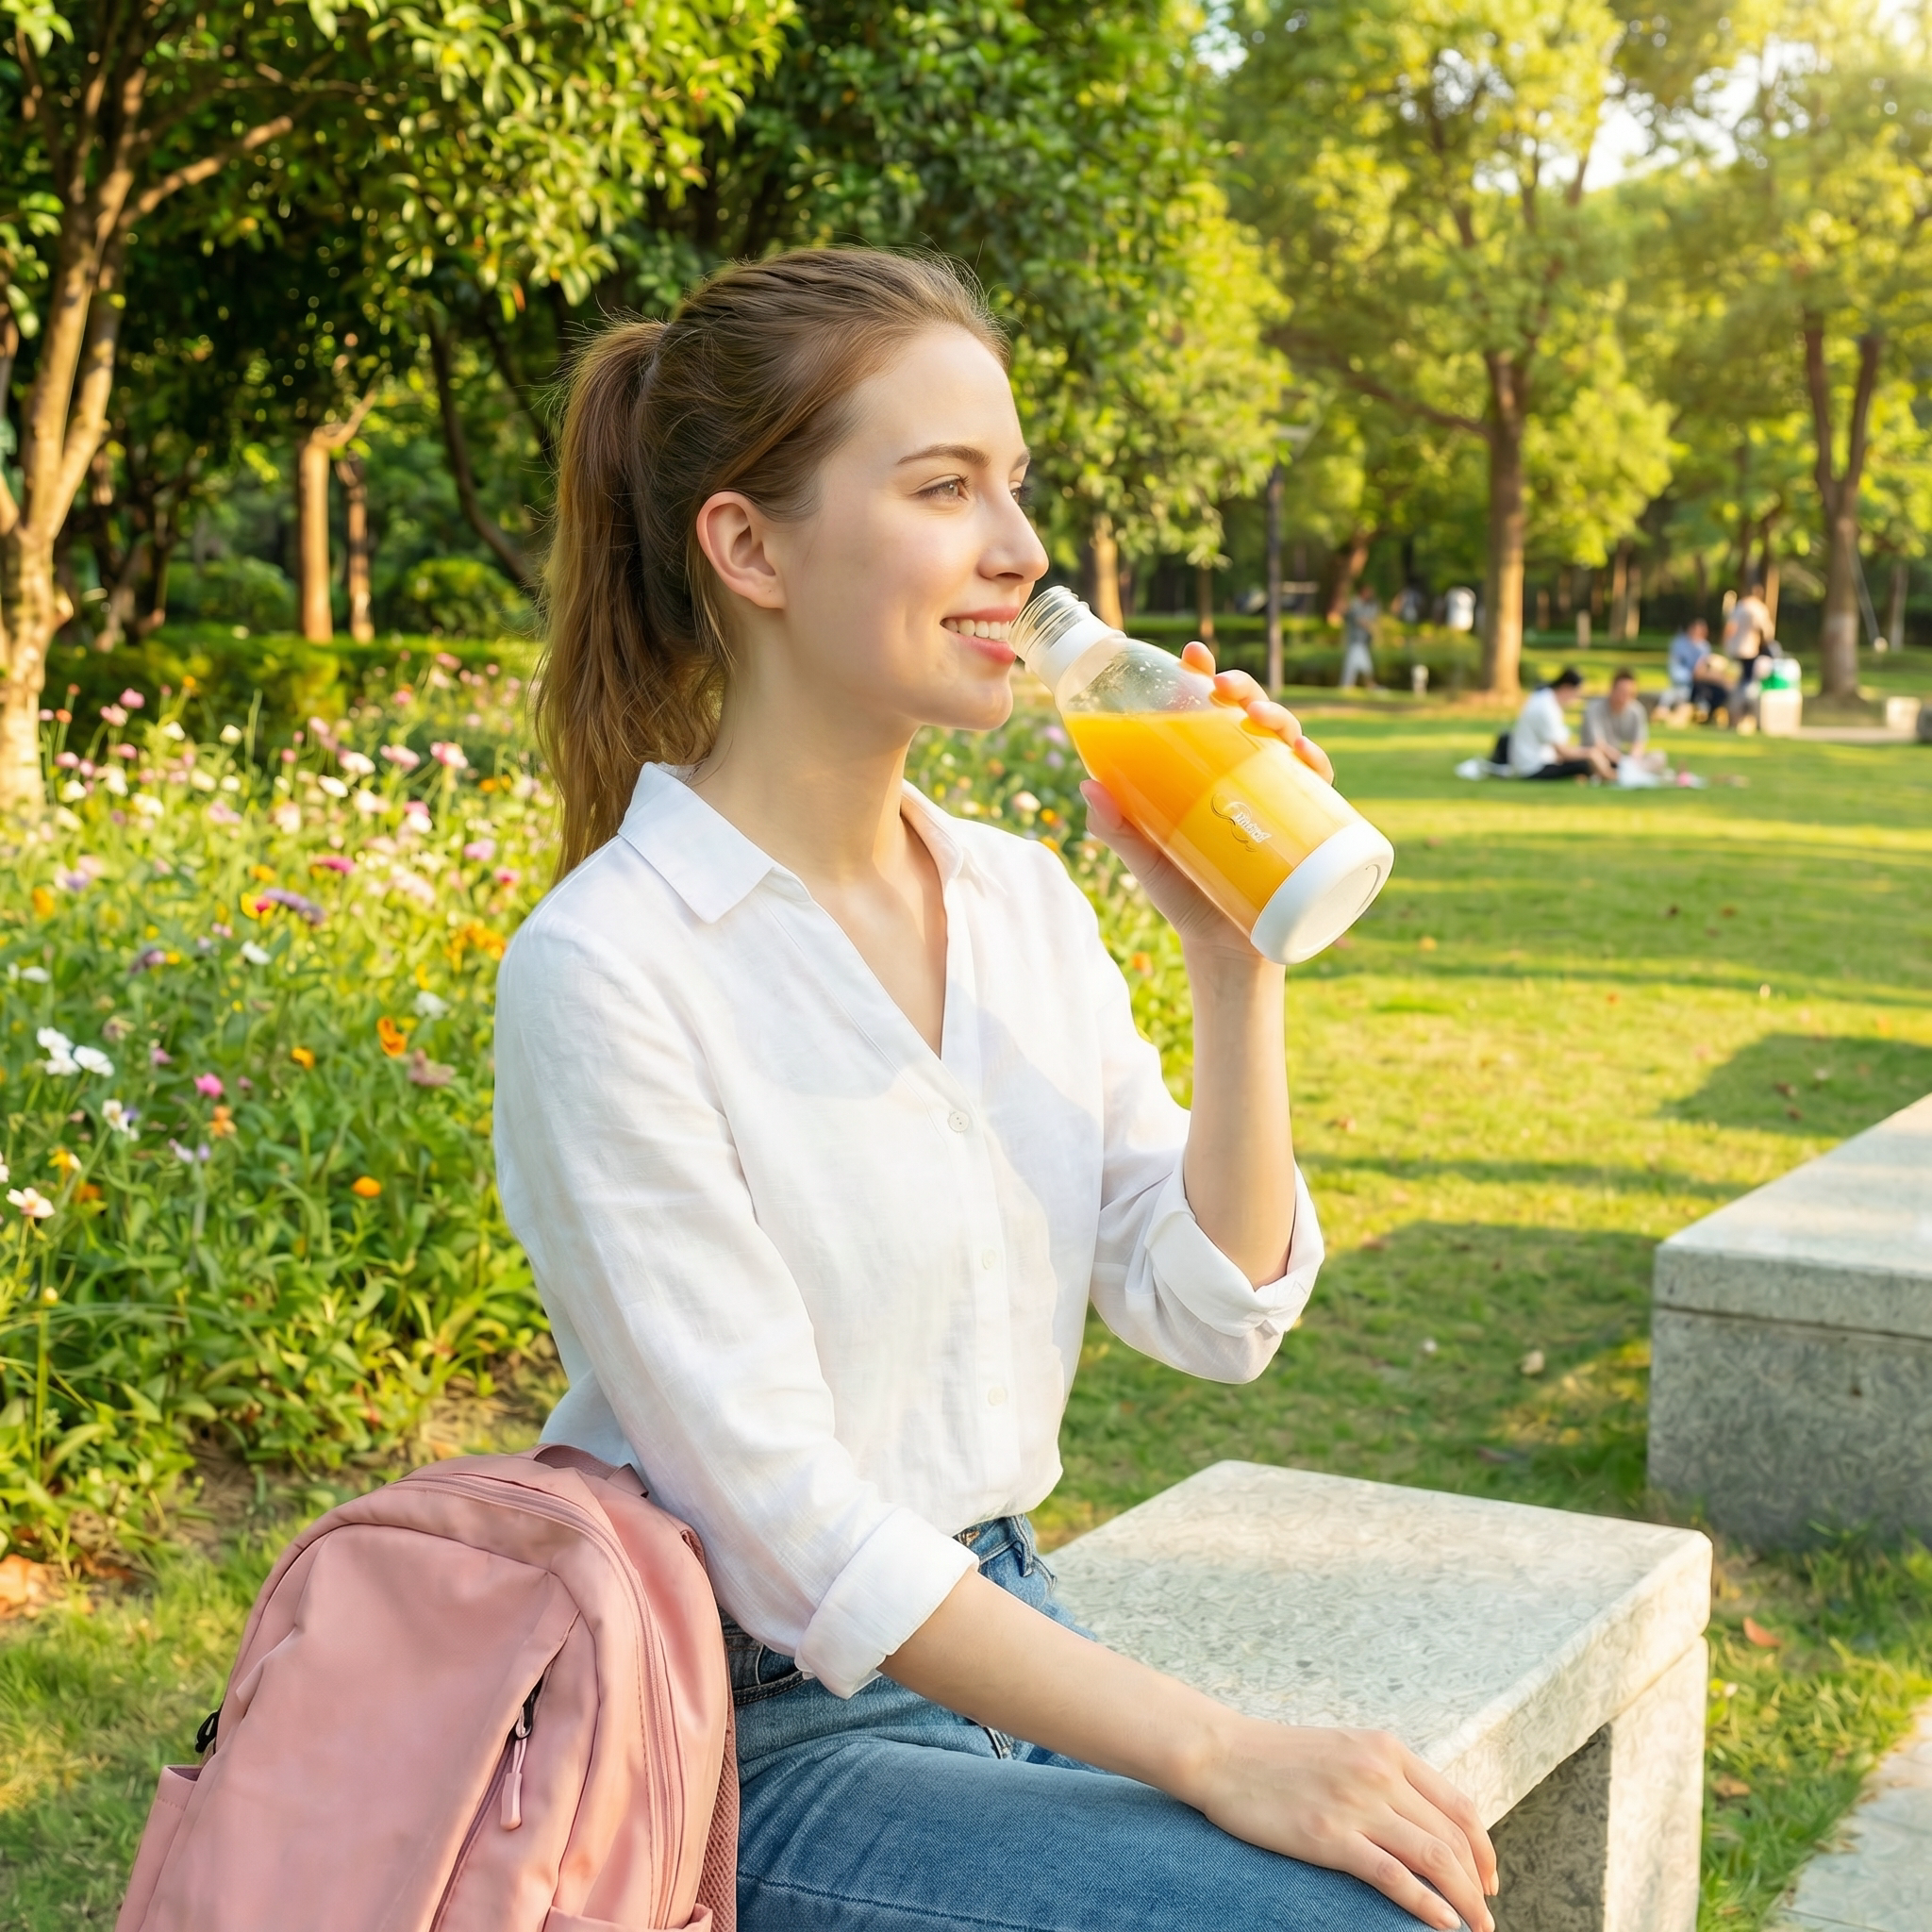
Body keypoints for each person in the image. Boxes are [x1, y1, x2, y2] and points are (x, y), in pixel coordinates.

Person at [493, 249, 1496, 1932]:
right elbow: (798, 1533)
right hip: (756, 1727)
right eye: (942, 485)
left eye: (1012, 485)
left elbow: (1209, 1307)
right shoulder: (611, 967)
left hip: (1003, 1633)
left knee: (1412, 1865)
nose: (1022, 553)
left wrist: (1234, 951)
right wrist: (1218, 1744)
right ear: (746, 545)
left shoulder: (1019, 900)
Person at [1507, 666, 1616, 780]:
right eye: (1576, 694)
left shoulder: (1545, 699)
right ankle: (1612, 777)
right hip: (1532, 768)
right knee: (1585, 764)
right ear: (1566, 688)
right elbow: (1562, 752)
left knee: (1584, 762)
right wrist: (1590, 753)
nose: (1575, 699)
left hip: (1534, 762)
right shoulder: (1546, 708)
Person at [1582, 669, 1648, 758]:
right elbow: (1598, 744)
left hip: (1621, 758)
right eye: (1621, 692)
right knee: (1595, 756)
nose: (1623, 698)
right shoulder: (1595, 708)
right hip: (1596, 756)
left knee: (1658, 757)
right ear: (1612, 689)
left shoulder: (1636, 710)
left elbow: (1638, 743)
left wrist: (1633, 760)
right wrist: (1621, 760)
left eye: (1629, 694)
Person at [1340, 587, 1380, 689]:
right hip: (1355, 642)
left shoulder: (1366, 606)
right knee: (1360, 669)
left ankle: (1367, 685)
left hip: (1361, 642)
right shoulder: (1355, 604)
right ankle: (1369, 685)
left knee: (1356, 669)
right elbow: (1358, 620)